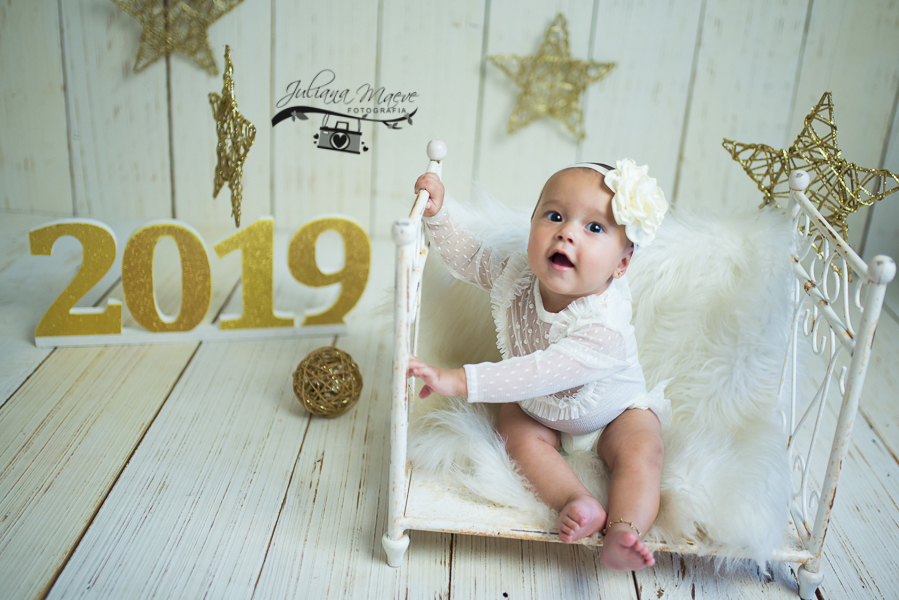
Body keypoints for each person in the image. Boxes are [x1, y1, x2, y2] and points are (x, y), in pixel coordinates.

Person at [407, 159, 671, 571]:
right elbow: (470, 257)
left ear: (622, 264)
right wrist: (438, 214)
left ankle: (624, 529)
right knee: (514, 430)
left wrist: (458, 380)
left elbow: (537, 371)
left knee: (643, 449)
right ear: (532, 225)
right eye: (555, 215)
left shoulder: (605, 328)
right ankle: (576, 500)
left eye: (595, 228)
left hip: (613, 412)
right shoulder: (518, 277)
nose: (567, 231)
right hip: (539, 407)